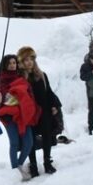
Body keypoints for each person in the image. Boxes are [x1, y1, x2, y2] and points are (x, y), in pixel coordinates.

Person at [0, 54, 37, 181]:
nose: (12, 65)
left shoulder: (21, 77)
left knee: (28, 143)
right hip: (8, 115)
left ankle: (18, 165)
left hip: (23, 114)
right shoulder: (0, 78)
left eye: (14, 63)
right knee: (14, 143)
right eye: (9, 63)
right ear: (5, 65)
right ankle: (14, 171)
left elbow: (28, 93)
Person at [18, 47, 61, 176]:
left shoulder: (41, 75)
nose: (29, 62)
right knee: (30, 139)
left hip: (44, 111)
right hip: (29, 114)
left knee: (47, 136)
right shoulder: (20, 78)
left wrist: (54, 105)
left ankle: (47, 162)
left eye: (31, 59)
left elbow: (48, 92)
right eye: (26, 60)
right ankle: (33, 165)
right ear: (21, 62)